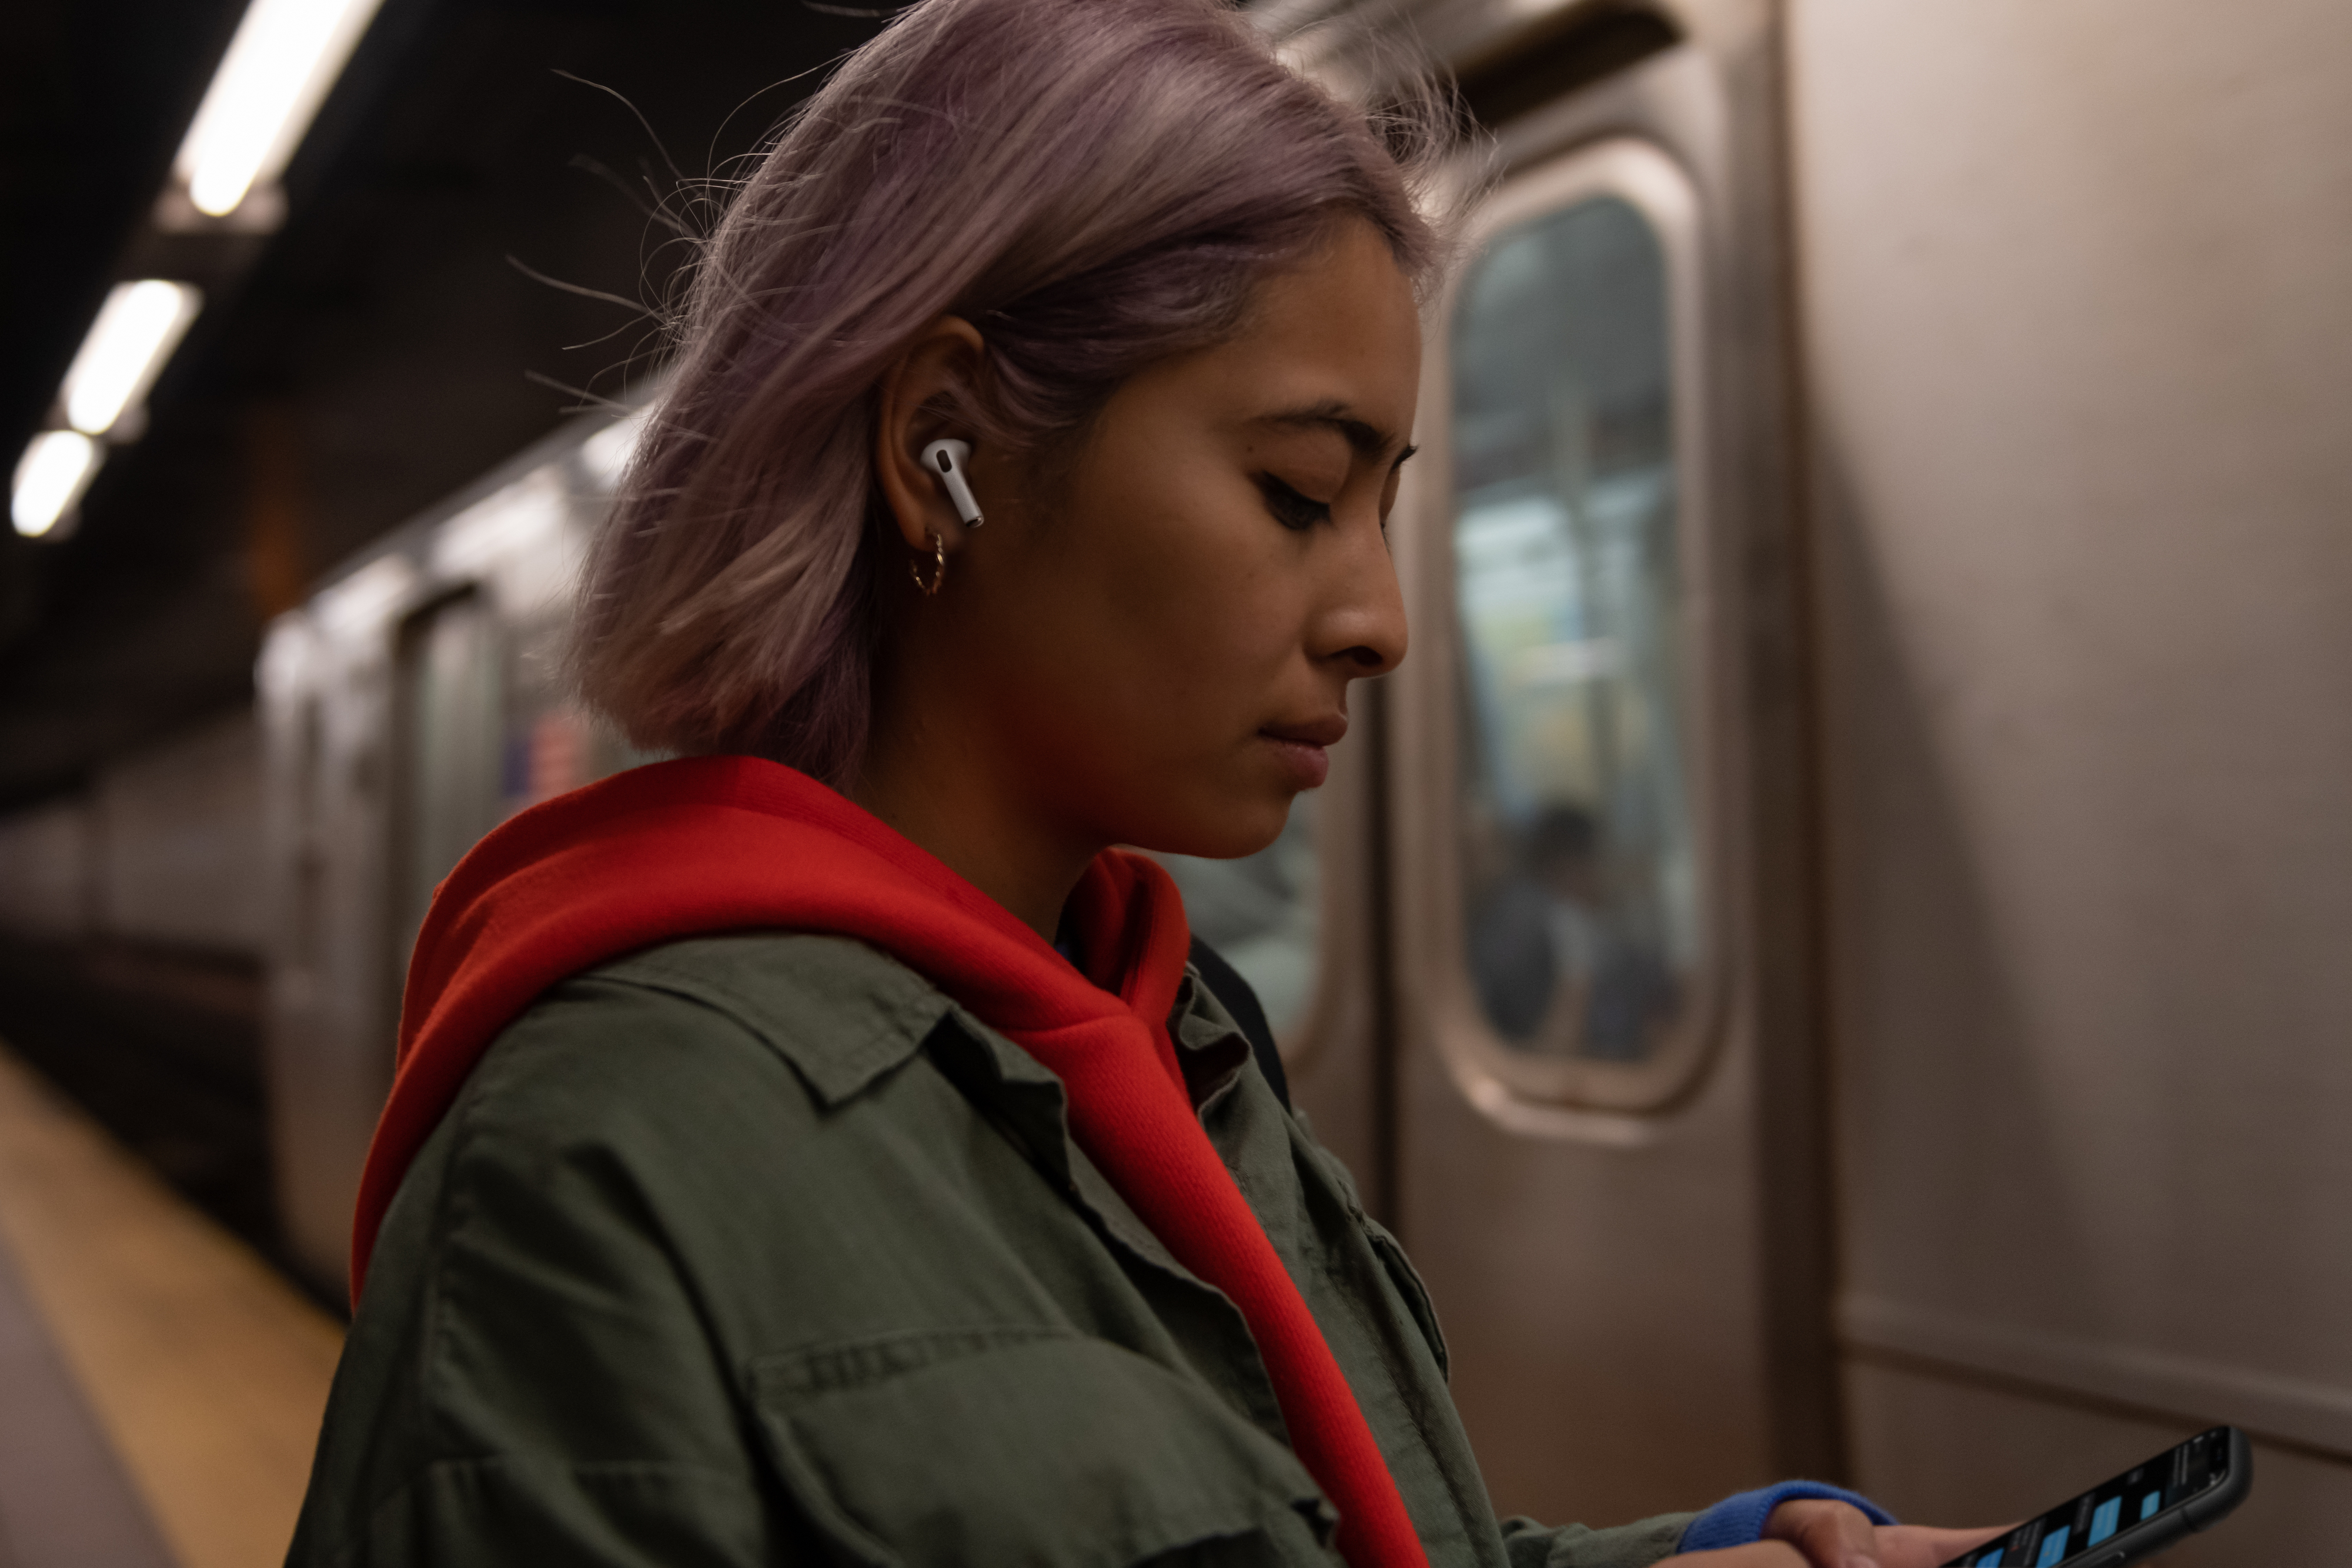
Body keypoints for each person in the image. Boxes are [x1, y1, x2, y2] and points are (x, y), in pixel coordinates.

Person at [286, 2, 2001, 1564]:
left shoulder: (1175, 1046)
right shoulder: (605, 1158)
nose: (1379, 623)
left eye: (1383, 509)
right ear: (944, 445)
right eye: (1293, 493)